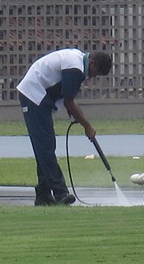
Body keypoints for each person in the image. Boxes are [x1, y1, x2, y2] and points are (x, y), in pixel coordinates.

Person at [16, 48, 113, 206]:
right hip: (32, 95)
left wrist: (79, 117)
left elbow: (69, 100)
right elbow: (69, 101)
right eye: (95, 73)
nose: (92, 77)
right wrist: (87, 126)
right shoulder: (75, 67)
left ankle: (43, 194)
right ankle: (60, 192)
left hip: (42, 98)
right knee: (45, 146)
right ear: (93, 63)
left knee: (44, 147)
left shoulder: (77, 62)